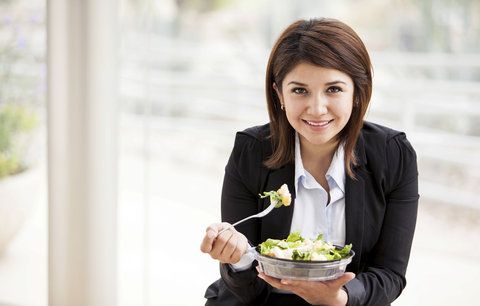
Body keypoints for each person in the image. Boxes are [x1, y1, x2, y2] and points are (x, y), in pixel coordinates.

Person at [200, 17, 419, 306]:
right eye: (299, 90)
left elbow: (390, 274)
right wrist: (238, 258)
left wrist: (339, 298)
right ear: (279, 93)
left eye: (334, 89)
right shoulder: (251, 150)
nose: (317, 109)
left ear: (357, 92)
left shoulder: (393, 154)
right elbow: (247, 289)